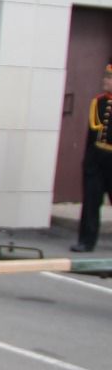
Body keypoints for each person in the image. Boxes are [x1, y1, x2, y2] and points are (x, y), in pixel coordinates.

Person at [72, 63, 112, 252]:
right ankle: (86, 241)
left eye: (110, 78)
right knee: (91, 201)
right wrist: (88, 161)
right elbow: (91, 134)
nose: (106, 81)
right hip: (97, 158)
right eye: (106, 77)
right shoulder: (98, 102)